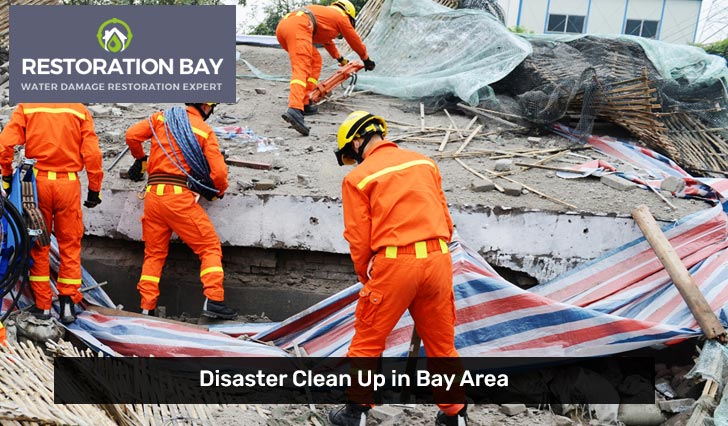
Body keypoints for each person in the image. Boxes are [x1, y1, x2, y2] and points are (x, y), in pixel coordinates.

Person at [328, 111, 468, 426]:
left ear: (359, 140)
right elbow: (445, 219)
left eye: (352, 154)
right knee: (442, 344)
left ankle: (355, 414)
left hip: (395, 263)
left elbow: (358, 238)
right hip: (438, 259)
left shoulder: (357, 178)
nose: (355, 160)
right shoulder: (425, 163)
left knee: (368, 339)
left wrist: (367, 276)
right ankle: (454, 415)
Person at [125, 102, 238, 320]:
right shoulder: (204, 130)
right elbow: (219, 173)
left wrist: (141, 159)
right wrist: (217, 191)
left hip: (153, 196)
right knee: (209, 247)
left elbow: (131, 135)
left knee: (154, 254)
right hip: (178, 197)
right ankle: (214, 300)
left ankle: (146, 308)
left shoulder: (161, 118)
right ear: (207, 106)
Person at [0, 103, 103, 324]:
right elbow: (93, 153)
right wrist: (95, 189)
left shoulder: (27, 108)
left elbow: (5, 144)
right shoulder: (79, 111)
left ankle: (43, 306)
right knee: (70, 244)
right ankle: (68, 304)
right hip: (69, 184)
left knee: (39, 243)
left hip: (37, 186)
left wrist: (7, 176)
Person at [276, 0, 375, 136]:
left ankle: (305, 102)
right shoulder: (341, 17)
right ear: (349, 14)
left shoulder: (327, 16)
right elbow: (354, 40)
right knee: (301, 66)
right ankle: (295, 108)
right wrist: (366, 59)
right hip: (299, 27)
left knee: (315, 60)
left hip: (285, 27)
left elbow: (327, 42)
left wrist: (340, 59)